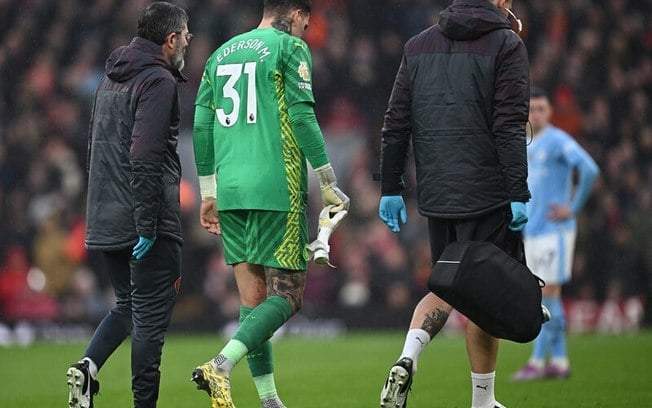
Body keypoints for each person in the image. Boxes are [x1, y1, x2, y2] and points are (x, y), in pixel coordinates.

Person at [190, 1, 349, 407]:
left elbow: (202, 124)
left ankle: (269, 400)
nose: (305, 33)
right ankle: (221, 365)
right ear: (295, 14)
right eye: (306, 25)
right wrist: (327, 179)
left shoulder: (220, 53)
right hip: (276, 187)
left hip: (230, 191)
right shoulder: (288, 47)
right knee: (288, 295)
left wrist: (209, 191)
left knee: (253, 302)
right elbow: (301, 116)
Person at [377, 1, 530, 407]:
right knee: (484, 295)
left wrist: (390, 187)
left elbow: (395, 123)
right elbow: (509, 124)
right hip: (488, 194)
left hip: (438, 196)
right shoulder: (506, 44)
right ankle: (483, 401)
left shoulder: (417, 45)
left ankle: (407, 358)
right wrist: (519, 191)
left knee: (445, 284)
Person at [66, 2, 191, 407]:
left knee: (127, 306)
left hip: (105, 215)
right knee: (150, 324)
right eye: (185, 33)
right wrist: (147, 224)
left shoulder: (109, 79)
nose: (189, 39)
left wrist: (106, 215)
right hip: (142, 220)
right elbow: (146, 155)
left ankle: (87, 368)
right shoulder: (158, 81)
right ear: (170, 39)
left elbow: (96, 149)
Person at [511, 87, 599, 381]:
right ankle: (559, 361)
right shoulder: (523, 145)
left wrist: (572, 207)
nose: (536, 114)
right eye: (531, 110)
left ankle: (536, 363)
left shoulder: (559, 141)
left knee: (547, 295)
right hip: (532, 231)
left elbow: (589, 169)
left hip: (554, 231)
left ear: (549, 112)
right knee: (547, 296)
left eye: (541, 109)